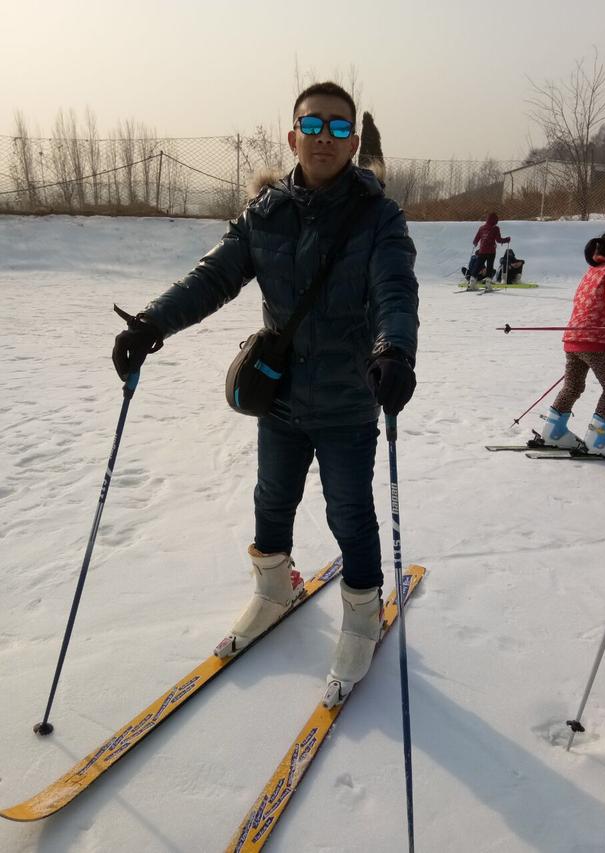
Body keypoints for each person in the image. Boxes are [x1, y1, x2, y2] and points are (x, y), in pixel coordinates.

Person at [111, 81, 419, 706]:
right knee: (271, 498)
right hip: (277, 395)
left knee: (348, 511)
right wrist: (151, 323)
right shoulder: (266, 212)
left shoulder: (379, 216)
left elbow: (395, 289)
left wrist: (395, 350)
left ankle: (361, 616)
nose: (324, 137)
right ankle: (274, 591)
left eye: (339, 128)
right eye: (313, 124)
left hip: (346, 400)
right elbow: (215, 277)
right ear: (293, 135)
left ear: (354, 142)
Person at [540, 230, 605, 456]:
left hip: (574, 337)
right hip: (595, 340)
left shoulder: (592, 271)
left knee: (573, 386)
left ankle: (554, 431)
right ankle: (598, 440)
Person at [466, 212, 510, 290]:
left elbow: (476, 240)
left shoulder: (481, 228)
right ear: (495, 220)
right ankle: (488, 285)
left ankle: (472, 283)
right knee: (490, 267)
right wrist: (507, 239)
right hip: (491, 251)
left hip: (482, 251)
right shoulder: (495, 228)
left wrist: (475, 243)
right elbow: (499, 240)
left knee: (477, 266)